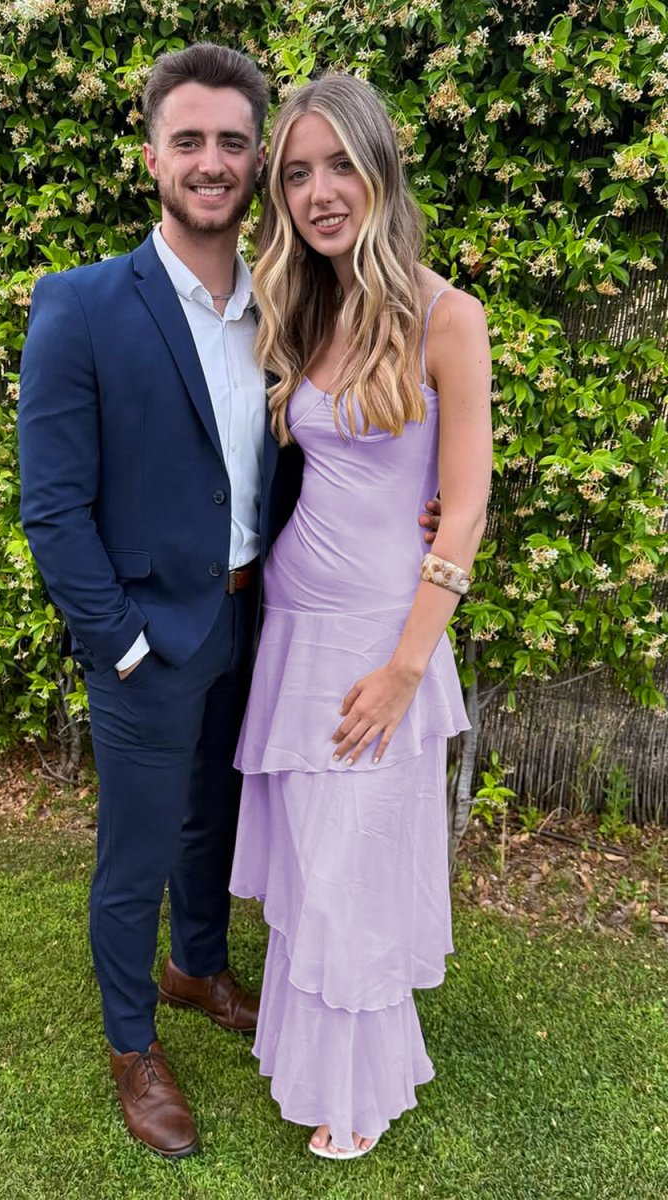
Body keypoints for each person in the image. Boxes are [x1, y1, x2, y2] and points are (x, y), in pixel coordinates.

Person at [18, 44, 442, 1159]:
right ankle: (131, 1045)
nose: (212, 162)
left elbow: (328, 452)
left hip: (263, 624)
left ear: (257, 164)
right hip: (146, 640)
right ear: (153, 156)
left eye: (233, 143)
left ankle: (196, 968)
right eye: (189, 140)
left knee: (217, 817)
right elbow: (52, 508)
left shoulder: (291, 305)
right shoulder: (80, 305)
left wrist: (425, 509)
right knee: (137, 850)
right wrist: (117, 644)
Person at [230, 74, 492, 1159]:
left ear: (380, 168)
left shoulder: (448, 317)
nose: (319, 191)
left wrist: (403, 670)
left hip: (377, 642)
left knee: (352, 873)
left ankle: (356, 1089)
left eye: (339, 164)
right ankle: (308, 1059)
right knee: (310, 868)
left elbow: (463, 506)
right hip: (291, 626)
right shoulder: (298, 305)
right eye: (297, 173)